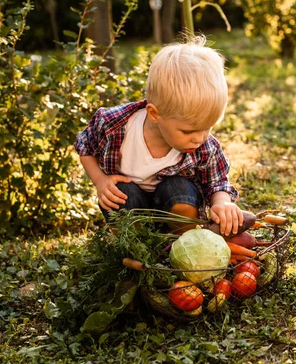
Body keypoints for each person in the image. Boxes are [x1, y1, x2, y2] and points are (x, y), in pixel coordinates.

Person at [74, 35, 243, 235]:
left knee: (179, 189)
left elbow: (217, 182)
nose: (200, 138)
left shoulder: (205, 147)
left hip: (172, 207)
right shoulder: (113, 124)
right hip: (132, 206)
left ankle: (181, 239)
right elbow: (85, 145)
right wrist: (100, 180)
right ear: (154, 114)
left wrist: (222, 202)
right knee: (121, 192)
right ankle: (133, 244)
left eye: (208, 127)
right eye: (188, 131)